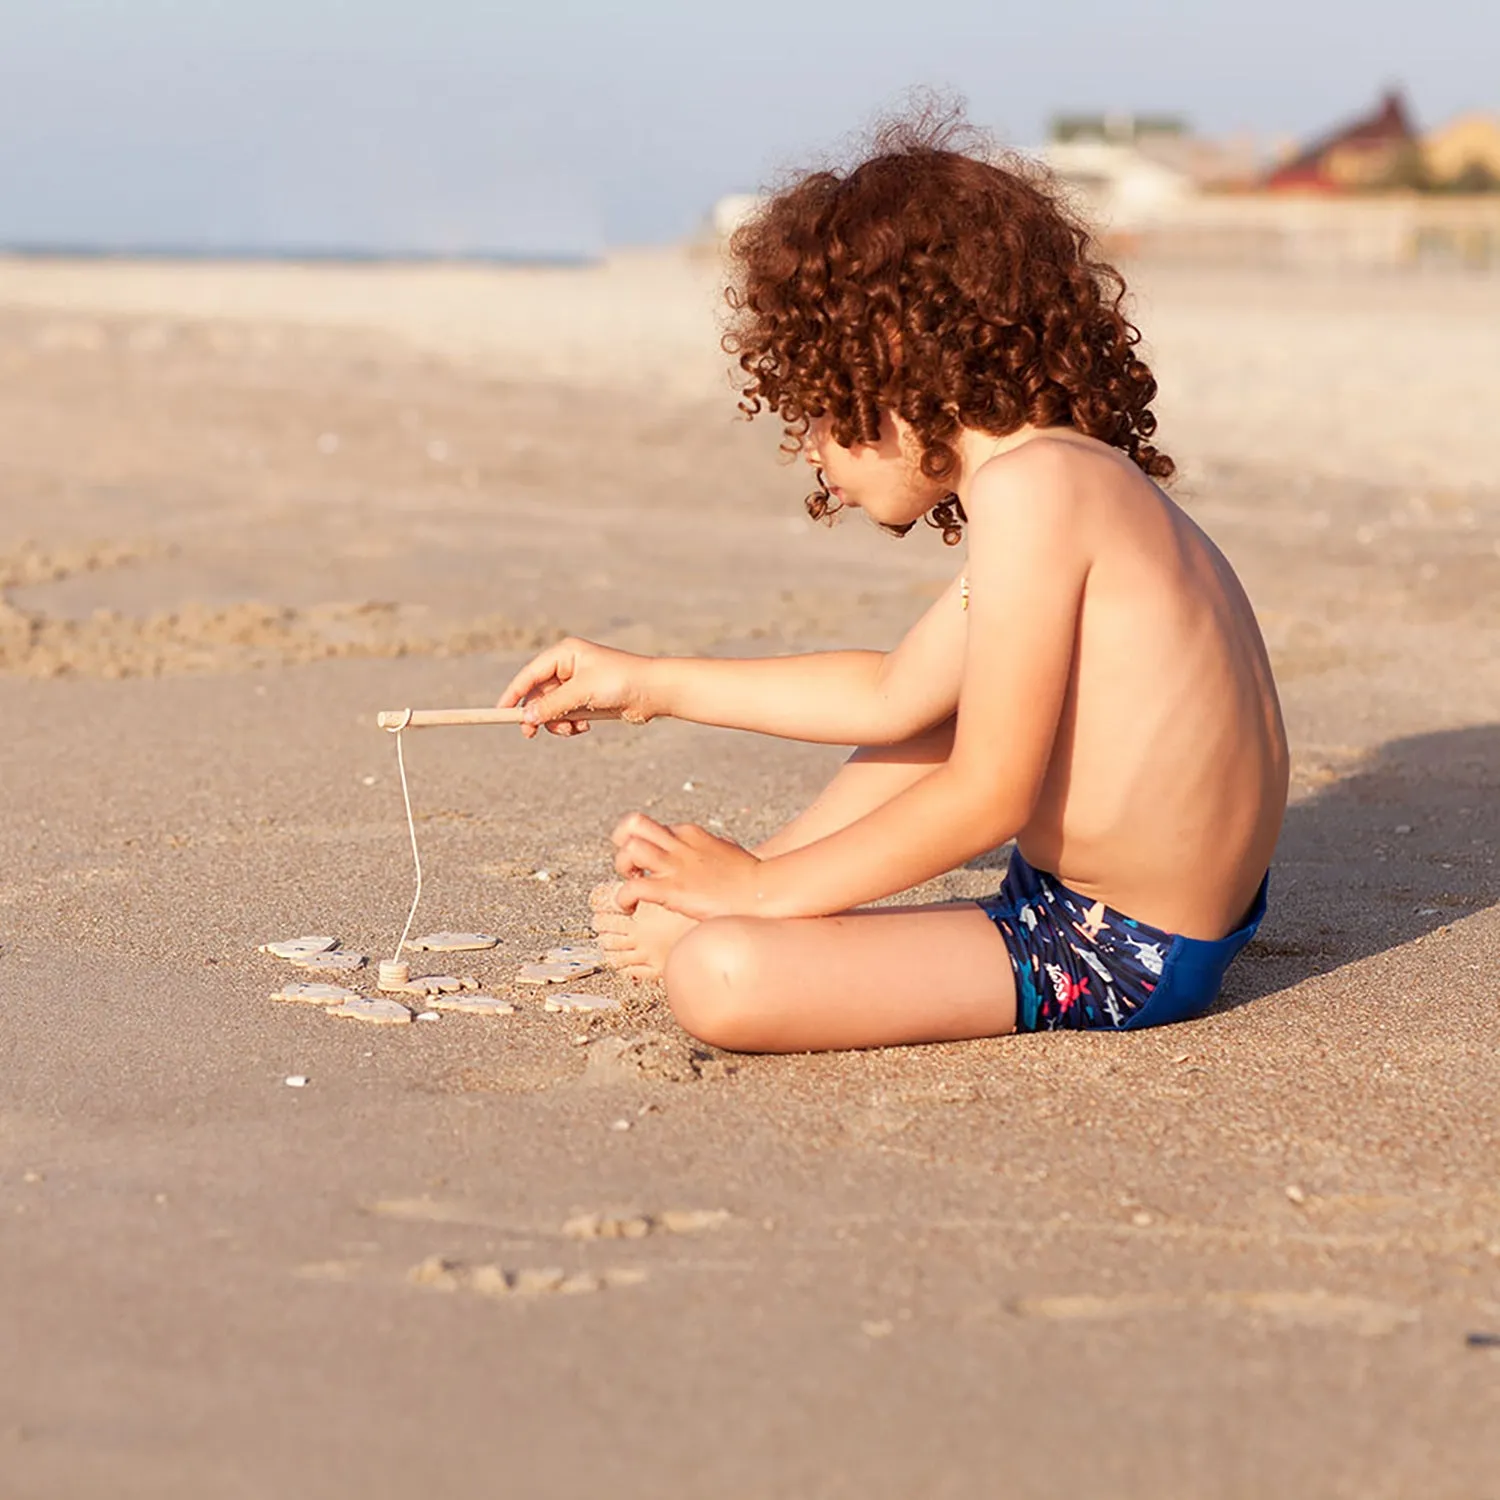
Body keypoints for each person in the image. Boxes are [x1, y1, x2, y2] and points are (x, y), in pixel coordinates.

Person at [498, 111, 1288, 1054]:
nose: (815, 454)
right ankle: (732, 899)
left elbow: (989, 795)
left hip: (1117, 947)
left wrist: (756, 901)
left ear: (897, 374)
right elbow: (892, 694)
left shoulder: (1036, 491)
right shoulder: (1069, 476)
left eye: (819, 410)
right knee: (933, 716)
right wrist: (649, 683)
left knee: (721, 978)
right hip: (1168, 909)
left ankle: (731, 912)